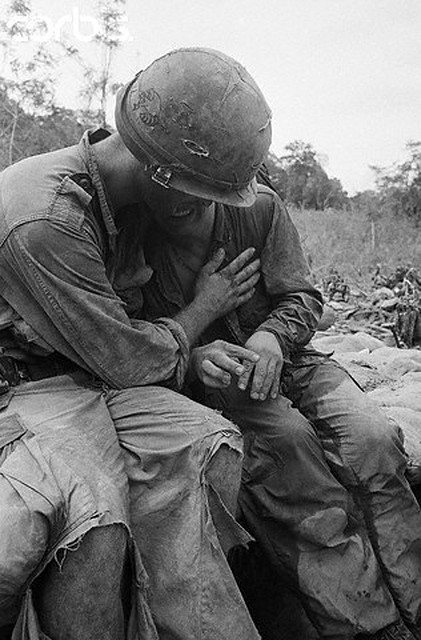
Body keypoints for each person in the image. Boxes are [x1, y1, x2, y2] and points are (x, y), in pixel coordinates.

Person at [0, 47, 273, 639]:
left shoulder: (127, 198)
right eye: (204, 196)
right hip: (25, 386)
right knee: (93, 525)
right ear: (168, 181)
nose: (203, 212)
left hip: (85, 373)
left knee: (209, 444)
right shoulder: (47, 219)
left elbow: (125, 339)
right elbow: (125, 359)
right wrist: (205, 308)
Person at [137, 171, 421, 637]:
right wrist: (193, 356)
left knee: (374, 439)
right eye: (165, 186)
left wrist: (272, 334)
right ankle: (370, 624)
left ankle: (415, 601)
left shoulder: (260, 210)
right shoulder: (133, 237)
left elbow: (303, 297)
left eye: (196, 189)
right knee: (288, 454)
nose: (179, 201)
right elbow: (132, 344)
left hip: (296, 362)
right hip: (221, 384)